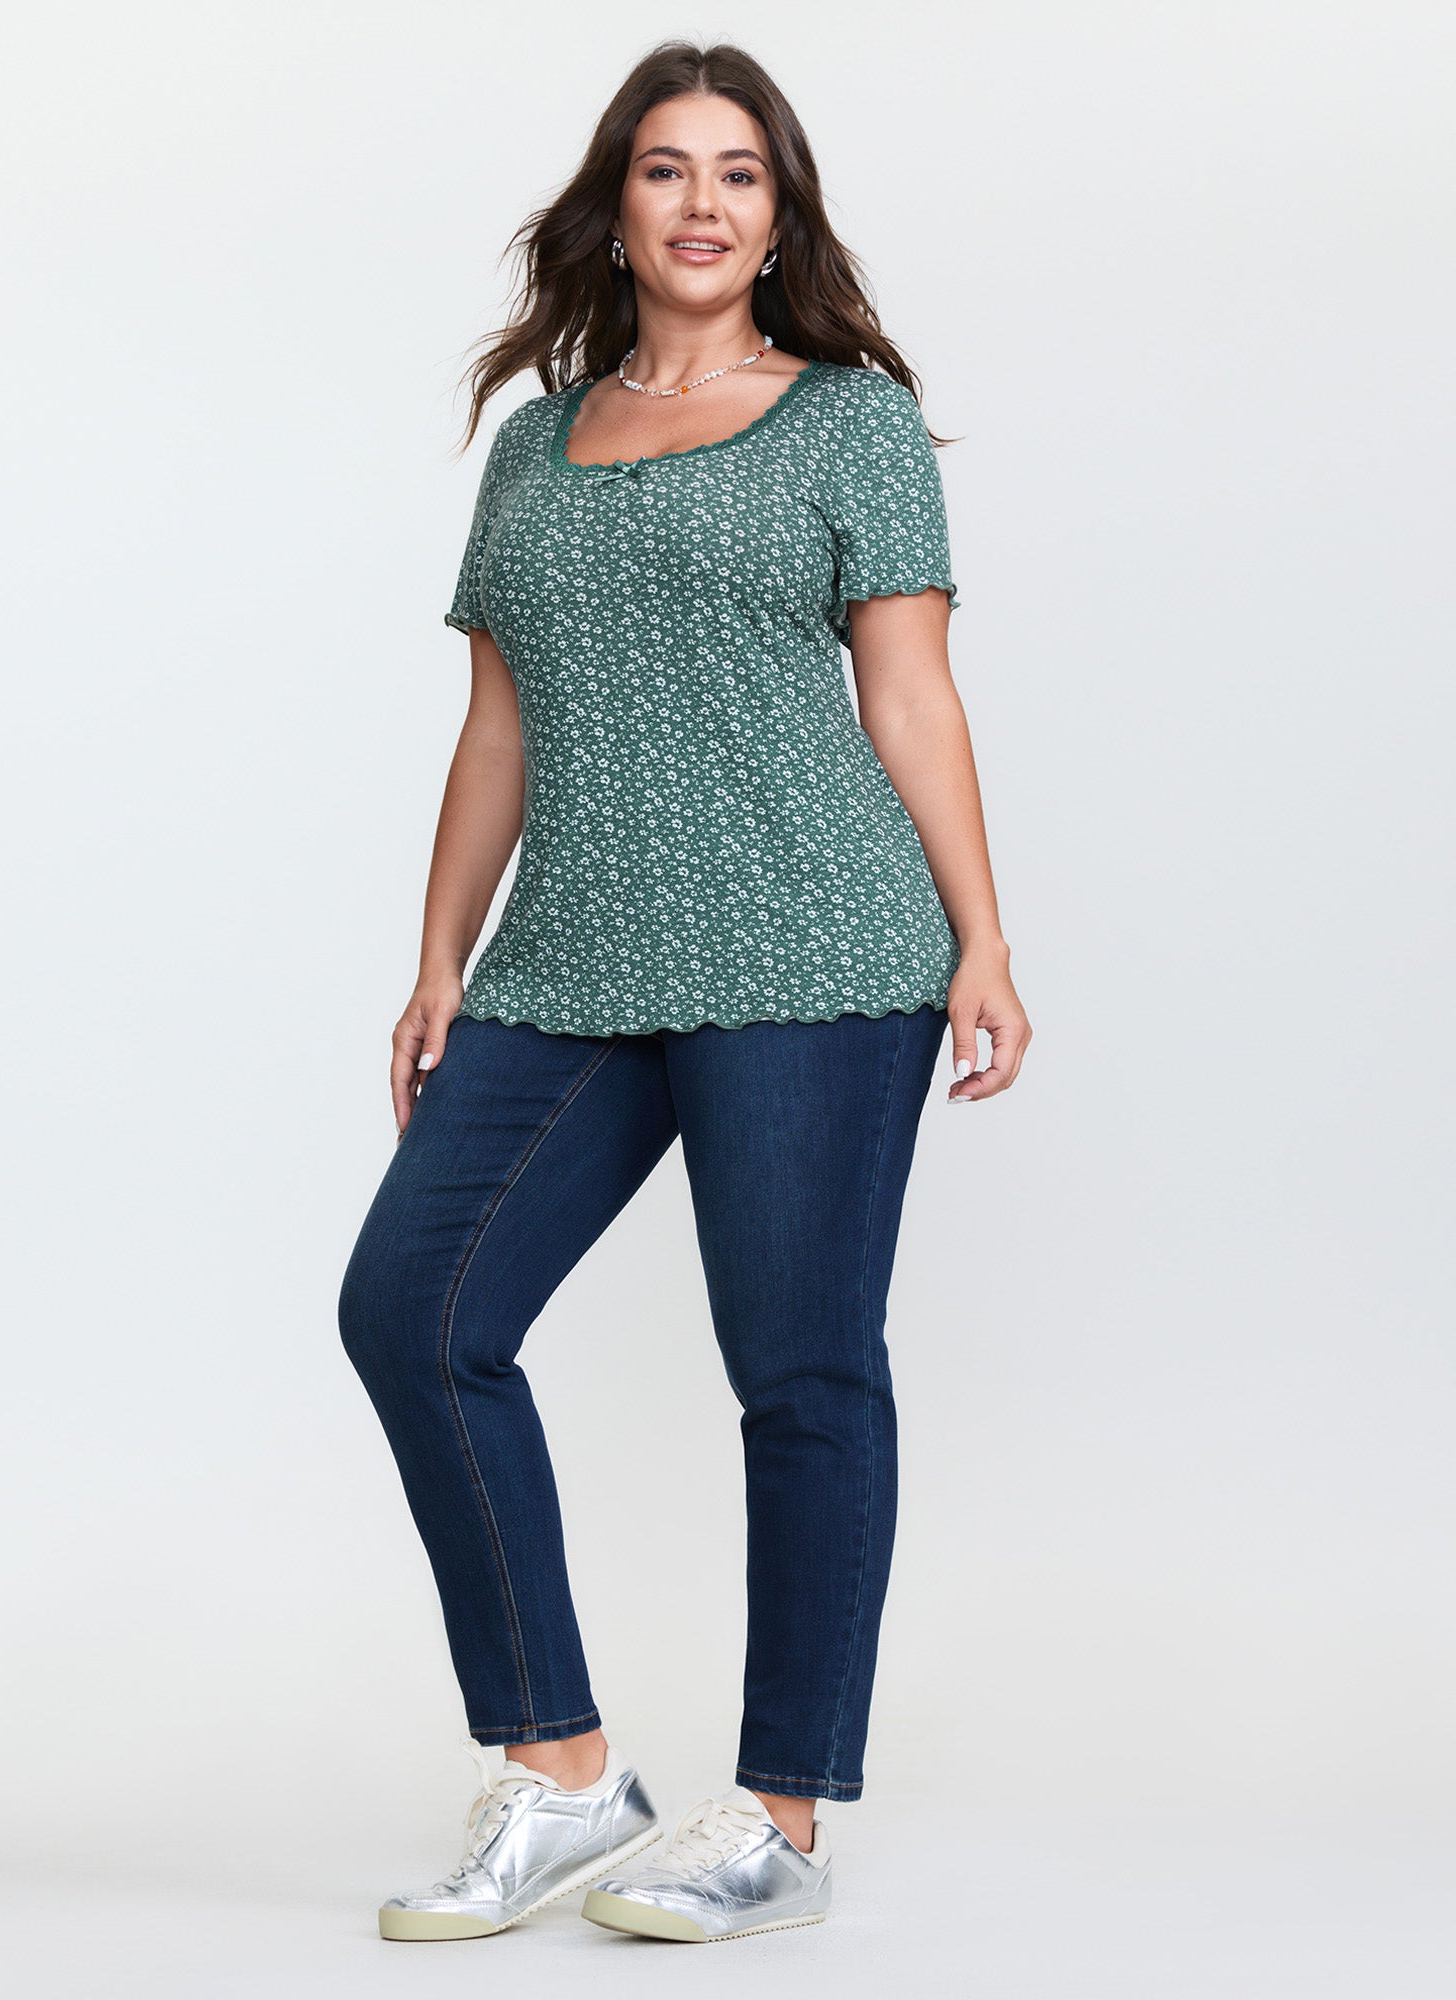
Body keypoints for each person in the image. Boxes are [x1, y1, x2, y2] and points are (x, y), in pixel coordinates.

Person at [337, 38, 1032, 1946]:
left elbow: (913, 695)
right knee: (415, 1310)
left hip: (815, 949)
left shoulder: (850, 424)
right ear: (618, 206)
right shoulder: (534, 447)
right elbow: (498, 729)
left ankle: (781, 1817)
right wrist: (439, 960)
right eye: (667, 169)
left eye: (740, 173)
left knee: (801, 1372)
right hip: (573, 958)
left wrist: (980, 935)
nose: (703, 202)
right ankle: (564, 1773)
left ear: (779, 215)